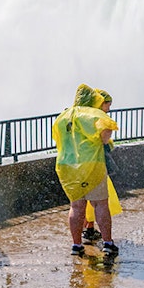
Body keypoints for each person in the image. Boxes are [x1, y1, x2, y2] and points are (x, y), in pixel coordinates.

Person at [52, 84, 119, 259]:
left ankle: (76, 245)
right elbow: (107, 127)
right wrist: (102, 140)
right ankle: (108, 244)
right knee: (100, 204)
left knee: (76, 206)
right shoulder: (90, 114)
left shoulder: (63, 116)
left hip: (67, 166)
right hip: (90, 165)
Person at [83, 88, 122, 243]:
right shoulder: (96, 118)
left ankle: (89, 228)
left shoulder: (83, 117)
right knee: (97, 201)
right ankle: (96, 234)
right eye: (108, 105)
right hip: (94, 163)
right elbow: (102, 141)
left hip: (82, 165)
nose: (109, 109)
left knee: (86, 200)